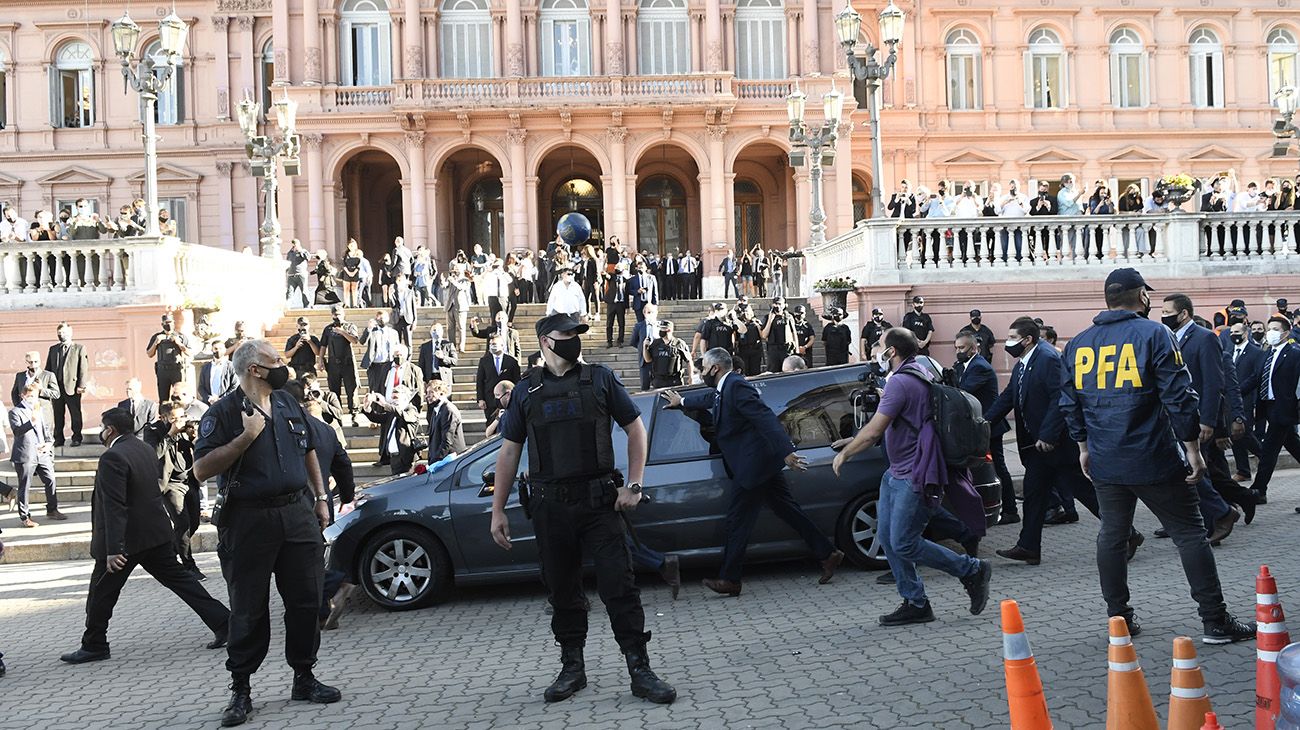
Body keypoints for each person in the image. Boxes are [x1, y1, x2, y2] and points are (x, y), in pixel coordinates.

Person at [489, 312, 676, 705]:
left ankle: (639, 668)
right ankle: (572, 666)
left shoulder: (601, 378)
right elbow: (509, 451)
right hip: (549, 506)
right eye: (566, 333)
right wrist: (498, 509)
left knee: (619, 586)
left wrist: (635, 484)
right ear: (544, 340)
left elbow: (635, 428)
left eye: (577, 333)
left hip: (598, 503)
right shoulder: (526, 391)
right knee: (562, 590)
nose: (574, 339)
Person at [1060, 268, 1255, 644]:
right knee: (1190, 534)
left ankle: (1119, 620)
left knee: (1112, 536)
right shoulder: (1155, 333)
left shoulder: (1079, 343)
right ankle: (1215, 620)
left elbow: (1070, 402)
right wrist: (1193, 449)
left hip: (1106, 458)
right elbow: (1179, 397)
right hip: (1154, 456)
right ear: (1141, 297)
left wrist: (1083, 446)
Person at [193, 340, 341, 727]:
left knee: (307, 600)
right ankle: (241, 689)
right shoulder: (223, 413)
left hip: (297, 513)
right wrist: (245, 438)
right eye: (275, 360)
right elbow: (201, 470)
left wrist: (321, 497)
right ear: (254, 369)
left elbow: (308, 448)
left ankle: (304, 677)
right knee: (248, 607)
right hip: (248, 521)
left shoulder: (288, 401)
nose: (282, 364)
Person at [830, 329, 993, 626]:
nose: (875, 352)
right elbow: (893, 422)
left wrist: (846, 453)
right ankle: (916, 603)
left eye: (879, 346)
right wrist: (850, 440)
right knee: (891, 541)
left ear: (891, 352)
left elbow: (875, 431)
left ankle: (971, 569)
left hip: (914, 474)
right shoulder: (916, 373)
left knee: (904, 543)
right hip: (896, 472)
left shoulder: (902, 382)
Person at [661, 348, 841, 597]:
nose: (702, 373)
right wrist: (681, 402)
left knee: (738, 521)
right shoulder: (725, 386)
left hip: (754, 465)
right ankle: (828, 553)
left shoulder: (736, 385)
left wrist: (786, 451)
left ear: (715, 368)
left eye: (703, 368)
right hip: (760, 463)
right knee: (786, 509)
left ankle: (730, 579)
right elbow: (711, 399)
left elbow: (764, 417)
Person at [59, 407, 229, 665]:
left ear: (111, 430)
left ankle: (94, 644)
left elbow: (115, 506)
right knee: (183, 583)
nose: (102, 432)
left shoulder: (112, 457)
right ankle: (225, 623)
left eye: (103, 427)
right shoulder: (142, 448)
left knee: (101, 593)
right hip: (155, 534)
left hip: (125, 543)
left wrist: (114, 548)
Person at [984, 318, 1141, 566]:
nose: (1009, 342)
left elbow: (1062, 398)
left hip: (1056, 444)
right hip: (1038, 447)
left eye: (1013, 337)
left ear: (1028, 340)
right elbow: (1009, 397)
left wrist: (1048, 434)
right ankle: (1028, 547)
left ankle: (1128, 533)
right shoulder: (1024, 363)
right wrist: (984, 422)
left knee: (1084, 492)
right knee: (1035, 495)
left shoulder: (1047, 359)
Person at [1160, 294, 1254, 533]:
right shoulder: (1166, 338)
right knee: (1200, 470)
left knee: (1198, 471)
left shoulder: (1204, 339)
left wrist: (1210, 421)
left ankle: (1217, 519)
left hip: (1198, 419)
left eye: (1167, 312)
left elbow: (1215, 383)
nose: (1163, 316)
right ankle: (1236, 502)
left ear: (1183, 314)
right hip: (1175, 418)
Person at [952, 332, 1017, 525]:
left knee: (998, 468)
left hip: (991, 425)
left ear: (973, 348)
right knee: (987, 468)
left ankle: (1011, 510)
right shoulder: (962, 366)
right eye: (956, 348)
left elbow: (962, 392)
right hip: (980, 425)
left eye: (961, 348)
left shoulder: (980, 367)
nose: (958, 351)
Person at [144, 402, 205, 577]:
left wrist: (194, 438)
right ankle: (188, 566)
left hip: (189, 481)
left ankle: (168, 554)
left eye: (181, 417)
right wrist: (171, 434)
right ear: (163, 418)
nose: (179, 422)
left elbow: (201, 450)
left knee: (194, 523)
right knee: (182, 523)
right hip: (169, 484)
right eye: (174, 419)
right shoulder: (153, 431)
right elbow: (153, 454)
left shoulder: (186, 428)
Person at [1247, 315, 1300, 503]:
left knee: (1269, 449)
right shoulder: (1266, 353)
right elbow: (1256, 379)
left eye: (1275, 329)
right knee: (1293, 445)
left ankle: (1258, 490)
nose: (1270, 333)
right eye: (1269, 328)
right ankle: (1259, 490)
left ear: (1286, 333)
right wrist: (1233, 391)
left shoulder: (1295, 353)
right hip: (1267, 407)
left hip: (1284, 408)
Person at [8, 382, 65, 526]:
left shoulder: (39, 409)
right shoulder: (15, 412)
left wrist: (48, 442)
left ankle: (52, 509)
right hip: (26, 454)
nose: (33, 398)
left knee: (50, 479)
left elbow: (45, 429)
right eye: (30, 396)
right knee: (25, 485)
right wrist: (31, 421)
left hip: (42, 452)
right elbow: (17, 431)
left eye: (35, 396)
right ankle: (25, 517)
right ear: (23, 396)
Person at [1228, 320, 1266, 483]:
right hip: (1231, 401)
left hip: (1248, 398)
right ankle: (1243, 470)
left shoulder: (1255, 352)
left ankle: (1265, 458)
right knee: (1235, 435)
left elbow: (1256, 376)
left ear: (1245, 334)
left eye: (1236, 332)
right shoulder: (1229, 351)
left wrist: (1239, 390)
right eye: (1231, 333)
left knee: (1246, 434)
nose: (1233, 336)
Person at [45, 322, 88, 447]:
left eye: (64, 333)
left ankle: (76, 437)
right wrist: (47, 385)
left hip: (72, 387)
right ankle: (58, 438)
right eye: (59, 333)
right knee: (58, 415)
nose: (61, 335)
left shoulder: (79, 348)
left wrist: (82, 385)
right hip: (56, 388)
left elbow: (83, 368)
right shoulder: (53, 349)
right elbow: (48, 368)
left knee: (75, 414)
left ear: (70, 333)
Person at [146, 313, 192, 404]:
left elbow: (189, 352)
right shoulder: (157, 336)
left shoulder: (181, 336)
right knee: (163, 398)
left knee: (179, 396)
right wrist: (156, 342)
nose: (169, 324)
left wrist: (179, 343)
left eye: (171, 322)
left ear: (174, 323)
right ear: (162, 324)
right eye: (166, 322)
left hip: (176, 370)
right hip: (162, 371)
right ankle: (164, 416)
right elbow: (149, 354)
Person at [476, 336, 521, 424]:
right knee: (491, 423)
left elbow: (517, 381)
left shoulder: (511, 361)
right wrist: (480, 399)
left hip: (507, 399)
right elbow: (480, 381)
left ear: (502, 345)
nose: (492, 346)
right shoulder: (484, 361)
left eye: (494, 344)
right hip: (490, 399)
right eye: (490, 344)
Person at [11, 350, 58, 429]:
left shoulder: (48, 375)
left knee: (45, 438)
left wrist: (41, 389)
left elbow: (56, 394)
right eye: (30, 362)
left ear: (39, 361)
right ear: (26, 363)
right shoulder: (20, 376)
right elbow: (14, 393)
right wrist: (18, 407)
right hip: (25, 413)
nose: (33, 365)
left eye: (36, 361)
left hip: (42, 412)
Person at [360, 311, 400, 396]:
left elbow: (397, 347)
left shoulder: (393, 332)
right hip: (375, 365)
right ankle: (375, 408)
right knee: (374, 390)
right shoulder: (372, 331)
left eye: (382, 318)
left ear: (387, 319)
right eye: (378, 318)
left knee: (387, 389)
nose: (381, 320)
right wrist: (369, 329)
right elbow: (362, 341)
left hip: (388, 364)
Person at [425, 380, 465, 462]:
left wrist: (435, 461)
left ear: (441, 393)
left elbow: (447, 441)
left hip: (450, 461)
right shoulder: (436, 409)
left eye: (431, 392)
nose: (427, 396)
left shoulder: (448, 410)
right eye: (427, 392)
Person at [644, 320, 692, 389]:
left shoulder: (679, 343)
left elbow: (689, 361)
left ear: (669, 330)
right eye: (660, 328)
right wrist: (645, 347)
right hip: (658, 381)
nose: (660, 330)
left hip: (674, 381)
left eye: (662, 328)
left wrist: (690, 377)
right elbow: (648, 360)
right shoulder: (655, 343)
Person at [759, 297, 797, 374]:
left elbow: (794, 333)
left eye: (779, 304)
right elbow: (764, 335)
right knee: (773, 371)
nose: (777, 306)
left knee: (788, 371)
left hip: (786, 349)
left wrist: (797, 350)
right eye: (776, 304)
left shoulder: (788, 316)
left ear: (784, 305)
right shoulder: (767, 317)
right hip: (773, 349)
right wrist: (770, 319)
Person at [199, 339, 238, 406]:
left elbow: (235, 386)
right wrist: (209, 398)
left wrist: (222, 399)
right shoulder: (205, 367)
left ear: (225, 350)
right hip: (209, 404)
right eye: (215, 348)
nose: (218, 351)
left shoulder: (231, 366)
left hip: (226, 403)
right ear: (212, 350)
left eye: (220, 348)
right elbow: (201, 387)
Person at [445, 271, 472, 353]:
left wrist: (454, 281)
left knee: (461, 327)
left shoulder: (465, 280)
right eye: (453, 272)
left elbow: (461, 287)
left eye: (456, 272)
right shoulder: (451, 280)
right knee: (450, 328)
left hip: (461, 307)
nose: (454, 274)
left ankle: (461, 347)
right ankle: (451, 346)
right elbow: (445, 287)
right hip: (450, 306)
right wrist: (445, 281)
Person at [604, 263, 630, 347]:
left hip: (621, 304)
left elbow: (626, 294)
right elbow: (607, 276)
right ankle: (609, 341)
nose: (617, 268)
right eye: (617, 267)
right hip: (612, 303)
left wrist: (627, 306)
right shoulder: (612, 276)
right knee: (609, 323)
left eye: (619, 267)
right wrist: (604, 273)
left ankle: (620, 340)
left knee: (621, 323)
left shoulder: (626, 280)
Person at [734, 305, 764, 376]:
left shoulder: (756, 322)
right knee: (745, 371)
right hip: (743, 349)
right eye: (744, 312)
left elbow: (762, 336)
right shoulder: (739, 323)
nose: (746, 314)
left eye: (748, 311)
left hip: (755, 349)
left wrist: (757, 325)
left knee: (755, 371)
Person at [391, 272, 418, 349]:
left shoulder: (410, 292)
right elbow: (393, 306)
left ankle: (408, 359)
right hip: (397, 319)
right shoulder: (394, 292)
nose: (400, 282)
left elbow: (413, 307)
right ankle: (398, 359)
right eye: (398, 280)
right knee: (397, 342)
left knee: (408, 342)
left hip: (407, 319)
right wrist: (390, 296)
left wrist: (415, 321)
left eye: (402, 280)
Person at [285, 239, 311, 309]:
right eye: (293, 244)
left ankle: (307, 306)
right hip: (291, 275)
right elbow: (288, 262)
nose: (294, 245)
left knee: (304, 291)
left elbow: (308, 258)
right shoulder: (290, 252)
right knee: (289, 291)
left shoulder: (303, 251)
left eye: (295, 244)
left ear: (299, 244)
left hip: (301, 274)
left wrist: (300, 251)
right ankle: (287, 306)